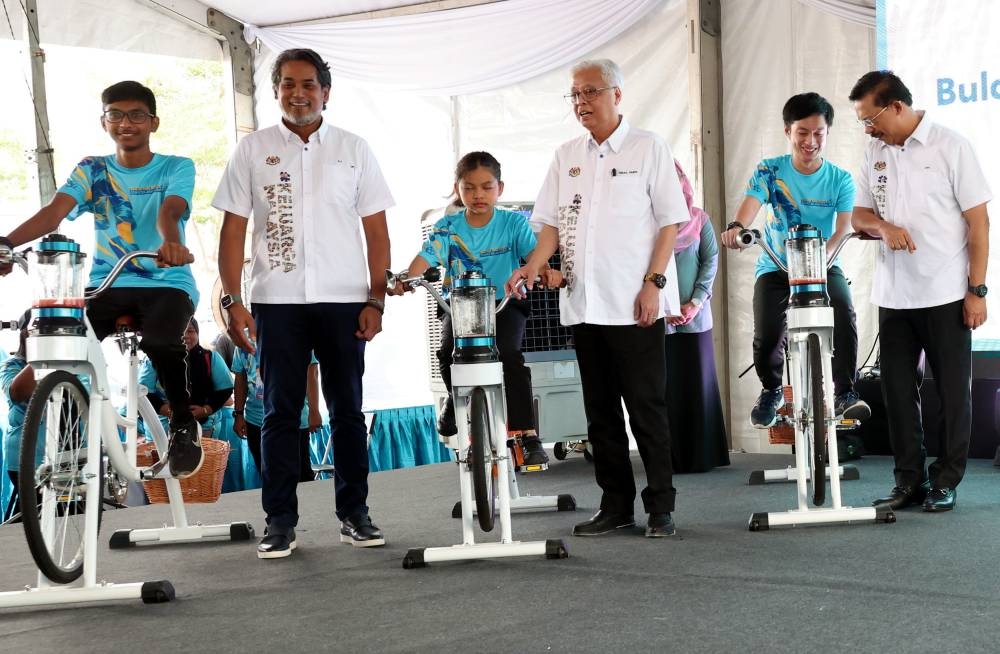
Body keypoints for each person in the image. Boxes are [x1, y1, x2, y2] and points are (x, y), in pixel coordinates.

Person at [213, 48, 394, 558]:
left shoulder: (354, 148)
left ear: (326, 92)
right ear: (276, 92)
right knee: (279, 413)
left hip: (344, 300)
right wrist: (232, 300)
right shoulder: (253, 150)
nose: (298, 93)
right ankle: (279, 521)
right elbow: (233, 230)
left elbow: (377, 232)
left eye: (308, 85)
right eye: (288, 84)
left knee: (348, 411)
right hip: (277, 302)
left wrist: (376, 300)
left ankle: (354, 514)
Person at [507, 58, 689, 538]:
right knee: (600, 413)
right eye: (574, 95)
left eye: (591, 92)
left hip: (634, 304)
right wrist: (530, 265)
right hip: (584, 304)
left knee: (646, 409)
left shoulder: (649, 147)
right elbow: (547, 224)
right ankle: (616, 505)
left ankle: (662, 508)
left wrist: (654, 283)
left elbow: (671, 221)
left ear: (617, 95)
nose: (581, 102)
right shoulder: (566, 154)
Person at [0, 80, 202, 479]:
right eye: (116, 115)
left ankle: (182, 424)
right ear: (104, 122)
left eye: (137, 115)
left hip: (166, 281)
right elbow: (54, 213)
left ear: (153, 122)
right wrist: (5, 242)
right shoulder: (92, 169)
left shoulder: (176, 166)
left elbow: (170, 209)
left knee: (161, 342)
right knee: (64, 343)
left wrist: (172, 244)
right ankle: (73, 432)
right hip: (106, 284)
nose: (126, 123)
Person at [849, 71, 992, 512]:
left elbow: (979, 224)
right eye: (863, 123)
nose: (869, 129)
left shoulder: (951, 146)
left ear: (896, 107)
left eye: (871, 118)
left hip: (946, 291)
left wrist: (977, 290)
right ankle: (907, 481)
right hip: (893, 295)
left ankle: (945, 480)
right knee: (896, 392)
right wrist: (883, 226)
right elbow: (858, 216)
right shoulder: (874, 151)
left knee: (952, 393)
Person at [388, 151, 548, 467]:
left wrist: (540, 271)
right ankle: (452, 398)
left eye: (486, 187)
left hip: (505, 304)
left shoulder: (513, 223)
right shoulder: (448, 227)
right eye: (469, 187)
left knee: (510, 355)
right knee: (446, 352)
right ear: (458, 188)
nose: (478, 195)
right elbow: (425, 258)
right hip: (459, 306)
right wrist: (409, 277)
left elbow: (533, 258)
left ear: (500, 188)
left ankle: (526, 435)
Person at [720, 92, 870, 429]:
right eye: (803, 132)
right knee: (769, 333)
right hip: (777, 266)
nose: (811, 141)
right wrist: (737, 228)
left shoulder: (840, 179)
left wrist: (820, 263)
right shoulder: (770, 170)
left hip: (822, 267)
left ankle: (845, 392)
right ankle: (772, 389)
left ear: (828, 133)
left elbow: (844, 225)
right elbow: (751, 203)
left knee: (844, 311)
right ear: (788, 131)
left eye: (819, 133)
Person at [665, 161, 730, 473]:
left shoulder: (699, 219)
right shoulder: (647, 223)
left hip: (696, 316)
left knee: (698, 384)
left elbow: (711, 260)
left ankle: (704, 456)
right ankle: (671, 458)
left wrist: (695, 302)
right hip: (658, 320)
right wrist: (664, 309)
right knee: (666, 388)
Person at [232, 346, 322, 481]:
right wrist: (238, 414)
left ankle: (304, 502)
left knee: (301, 476)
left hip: (294, 418)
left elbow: (312, 372)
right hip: (255, 421)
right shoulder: (242, 337)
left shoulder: (300, 328)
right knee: (268, 477)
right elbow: (240, 377)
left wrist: (314, 410)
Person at [140, 317, 233, 437]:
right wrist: (169, 411)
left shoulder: (210, 358)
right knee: (163, 456)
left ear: (197, 333)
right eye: (179, 330)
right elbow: (143, 391)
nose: (185, 336)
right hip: (162, 428)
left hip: (205, 427)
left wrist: (205, 410)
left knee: (204, 455)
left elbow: (225, 389)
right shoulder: (156, 359)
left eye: (190, 331)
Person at [0, 310, 34, 521]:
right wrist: (46, 352)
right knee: (31, 517)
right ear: (24, 333)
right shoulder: (12, 365)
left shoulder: (77, 362)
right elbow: (16, 393)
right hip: (29, 457)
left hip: (72, 453)